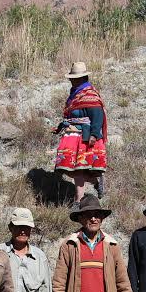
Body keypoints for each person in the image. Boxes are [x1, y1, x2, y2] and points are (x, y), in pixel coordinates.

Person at [54, 61, 107, 204]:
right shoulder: (75, 94)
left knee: (79, 170)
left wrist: (94, 135)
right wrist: (60, 127)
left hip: (84, 137)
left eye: (73, 78)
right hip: (72, 136)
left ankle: (78, 201)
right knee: (70, 169)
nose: (71, 80)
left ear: (81, 78)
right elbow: (70, 116)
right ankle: (96, 182)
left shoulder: (90, 94)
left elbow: (98, 116)